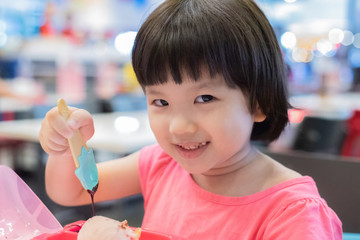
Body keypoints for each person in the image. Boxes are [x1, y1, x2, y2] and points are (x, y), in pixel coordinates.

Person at [39, 0, 342, 239]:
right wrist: (65, 146)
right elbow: (72, 191)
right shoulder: (161, 165)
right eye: (161, 101)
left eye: (205, 98)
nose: (179, 126)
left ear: (258, 102)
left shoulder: (293, 214)